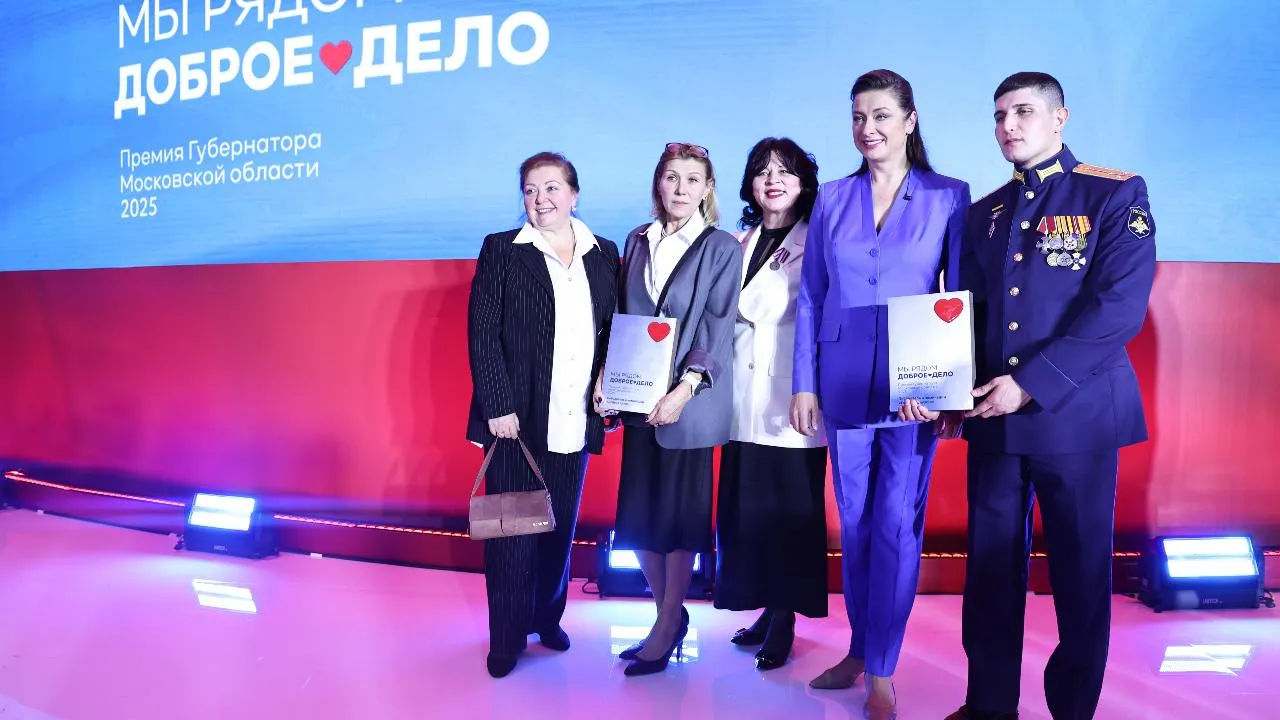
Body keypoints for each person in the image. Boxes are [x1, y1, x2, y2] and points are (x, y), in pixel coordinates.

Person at [930, 72, 1156, 720]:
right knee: (990, 572)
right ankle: (988, 705)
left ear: (1060, 117)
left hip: (1075, 419)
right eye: (999, 115)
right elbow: (969, 313)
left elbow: (1119, 309)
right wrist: (950, 390)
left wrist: (1030, 384)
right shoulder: (984, 213)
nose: (1008, 126)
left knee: (1080, 575)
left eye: (1023, 112)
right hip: (994, 420)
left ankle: (1072, 710)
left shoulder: (1112, 193)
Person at [791, 69, 969, 718]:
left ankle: (884, 669)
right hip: (842, 384)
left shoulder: (949, 196)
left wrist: (948, 392)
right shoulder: (832, 197)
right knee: (856, 524)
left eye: (882, 116)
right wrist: (804, 383)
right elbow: (811, 296)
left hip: (913, 391)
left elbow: (958, 298)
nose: (868, 128)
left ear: (910, 121)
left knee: (895, 525)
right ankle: (859, 649)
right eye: (859, 117)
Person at [465, 151, 620, 679]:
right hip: (517, 423)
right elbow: (483, 332)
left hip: (575, 419)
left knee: (558, 531)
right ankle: (506, 639)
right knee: (511, 536)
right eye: (530, 189)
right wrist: (497, 405)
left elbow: (611, 332)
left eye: (552, 187)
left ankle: (547, 619)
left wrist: (609, 387)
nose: (541, 198)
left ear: (574, 194)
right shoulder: (503, 250)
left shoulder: (605, 254)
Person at [595, 142, 742, 677]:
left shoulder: (721, 246)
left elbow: (718, 325)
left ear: (707, 189)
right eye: (672, 177)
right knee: (637, 517)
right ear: (659, 182)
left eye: (692, 179)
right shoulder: (638, 239)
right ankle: (669, 616)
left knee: (680, 521)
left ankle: (665, 624)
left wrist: (684, 390)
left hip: (687, 403)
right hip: (637, 399)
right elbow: (621, 316)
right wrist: (605, 377)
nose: (680, 189)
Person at [713, 137, 829, 672]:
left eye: (785, 171)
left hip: (792, 401)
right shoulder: (740, 242)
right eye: (763, 171)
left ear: (804, 183)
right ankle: (765, 607)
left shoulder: (819, 240)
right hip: (742, 400)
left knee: (789, 515)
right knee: (751, 513)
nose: (773, 180)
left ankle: (785, 618)